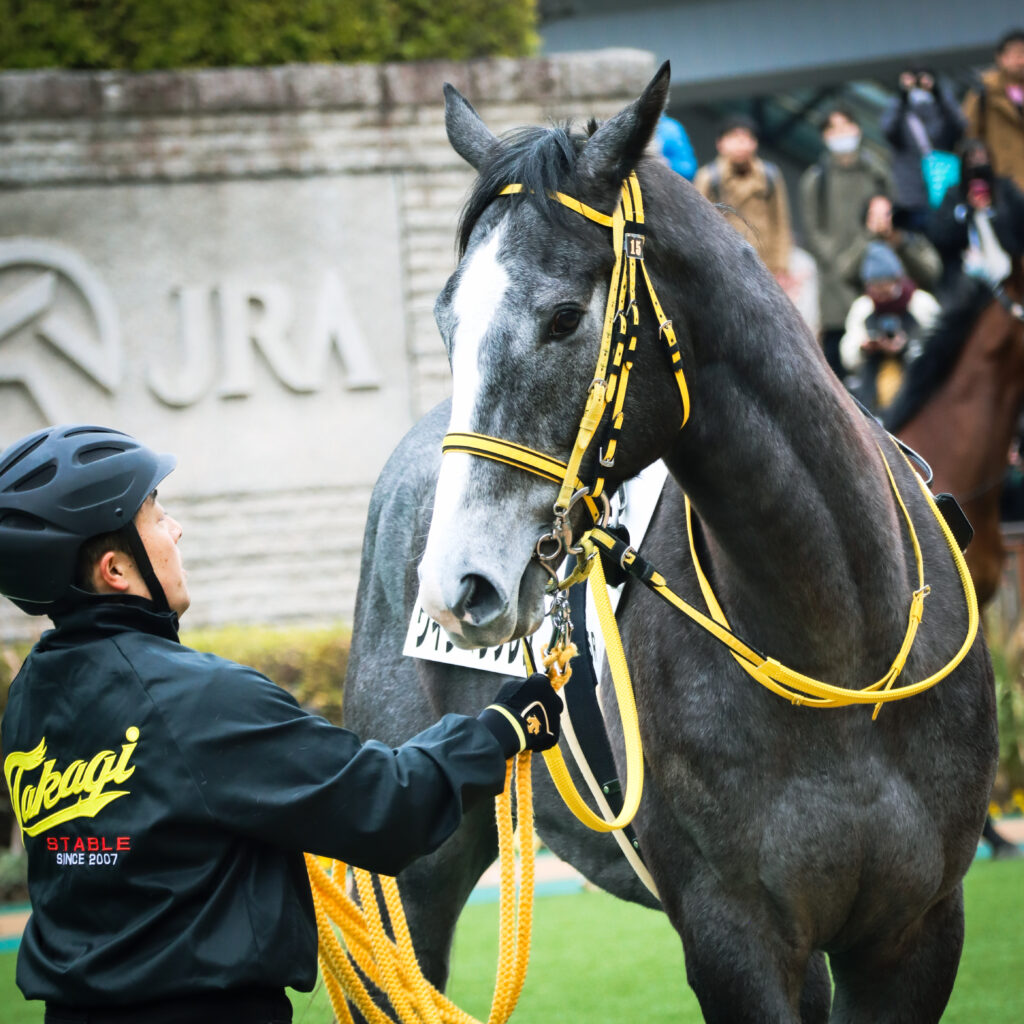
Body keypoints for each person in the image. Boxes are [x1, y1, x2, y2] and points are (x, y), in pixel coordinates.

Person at [0, 424, 563, 1023]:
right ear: (116, 569)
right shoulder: (198, 699)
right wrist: (500, 727)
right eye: (154, 514)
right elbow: (386, 805)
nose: (174, 529)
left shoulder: (31, 695)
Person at [799, 106, 893, 377]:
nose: (841, 134)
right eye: (832, 128)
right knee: (839, 369)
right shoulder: (815, 179)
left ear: (858, 128)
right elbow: (813, 233)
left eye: (846, 125)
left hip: (878, 280)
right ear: (823, 136)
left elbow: (891, 217)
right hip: (835, 290)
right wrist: (840, 264)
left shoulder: (877, 171)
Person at [839, 241, 941, 414]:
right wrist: (865, 348)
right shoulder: (863, 308)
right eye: (874, 287)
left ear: (897, 279)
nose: (879, 294)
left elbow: (939, 349)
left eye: (884, 286)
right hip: (872, 393)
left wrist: (908, 347)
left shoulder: (922, 304)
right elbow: (848, 356)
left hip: (918, 395)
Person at [694, 114, 794, 288]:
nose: (741, 144)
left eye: (747, 138)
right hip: (724, 265)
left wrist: (782, 266)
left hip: (764, 264)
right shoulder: (710, 177)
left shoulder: (768, 175)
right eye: (734, 138)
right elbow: (697, 225)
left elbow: (780, 222)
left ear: (755, 143)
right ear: (720, 143)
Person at [928, 138, 1024, 298]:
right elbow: (940, 237)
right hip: (967, 279)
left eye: (983, 159)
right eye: (972, 160)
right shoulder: (953, 196)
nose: (978, 167)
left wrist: (993, 211)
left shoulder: (1005, 191)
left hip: (1010, 273)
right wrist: (969, 211)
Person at [880, 67, 965, 230]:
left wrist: (938, 93)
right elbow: (888, 130)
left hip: (945, 187)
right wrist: (903, 95)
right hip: (912, 194)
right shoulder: (901, 110)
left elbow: (960, 125)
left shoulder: (939, 109)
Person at [837, 192, 942, 293]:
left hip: (909, 300)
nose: (882, 220)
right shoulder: (862, 241)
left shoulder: (910, 237)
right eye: (874, 215)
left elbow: (931, 274)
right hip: (873, 302)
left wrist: (902, 245)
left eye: (887, 214)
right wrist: (870, 237)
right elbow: (845, 274)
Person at [963, 28, 1024, 192]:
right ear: (1001, 57)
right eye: (1017, 55)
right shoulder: (984, 90)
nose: (1021, 61)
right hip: (1002, 179)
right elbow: (969, 132)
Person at [654, 112, 697, 181]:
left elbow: (689, 168)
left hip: (668, 185)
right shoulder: (638, 125)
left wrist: (667, 164)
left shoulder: (671, 129)